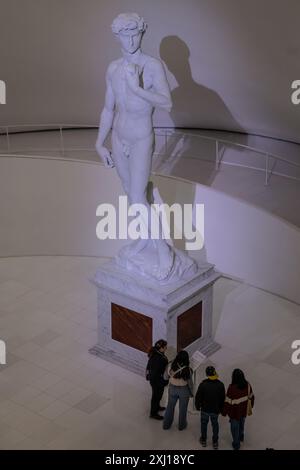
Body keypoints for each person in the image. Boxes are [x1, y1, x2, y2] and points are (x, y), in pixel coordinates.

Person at [95, 12, 196, 282]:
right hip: (118, 137)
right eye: (124, 34)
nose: (130, 40)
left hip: (140, 138)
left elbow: (167, 103)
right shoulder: (113, 68)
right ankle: (144, 239)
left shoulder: (152, 66)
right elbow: (108, 108)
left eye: (135, 33)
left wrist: (137, 88)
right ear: (116, 36)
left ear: (142, 33)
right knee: (132, 193)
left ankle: (163, 251)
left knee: (139, 196)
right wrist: (98, 143)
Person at [222, 368, 255, 450]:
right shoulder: (248, 385)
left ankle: (236, 444)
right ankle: (241, 437)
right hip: (243, 411)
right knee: (242, 424)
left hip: (234, 413)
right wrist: (251, 407)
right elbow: (251, 397)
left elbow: (227, 402)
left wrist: (224, 412)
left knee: (234, 428)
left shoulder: (231, 388)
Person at [195, 366, 225, 450]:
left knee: (204, 424)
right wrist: (221, 409)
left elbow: (198, 397)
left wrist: (197, 406)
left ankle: (203, 440)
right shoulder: (220, 384)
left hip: (204, 409)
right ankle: (215, 442)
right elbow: (223, 398)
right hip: (215, 410)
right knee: (215, 424)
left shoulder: (203, 384)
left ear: (207, 374)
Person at [163, 350, 193, 431]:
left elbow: (165, 377)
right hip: (184, 391)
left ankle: (166, 425)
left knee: (170, 407)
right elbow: (190, 384)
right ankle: (181, 426)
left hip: (172, 388)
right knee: (183, 409)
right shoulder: (188, 369)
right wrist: (191, 393)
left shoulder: (170, 365)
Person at [146, 339, 168, 420]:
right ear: (161, 348)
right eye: (165, 347)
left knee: (158, 395)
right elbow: (155, 373)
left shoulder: (156, 353)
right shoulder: (159, 359)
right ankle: (153, 413)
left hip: (157, 380)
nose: (166, 348)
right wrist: (162, 381)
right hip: (157, 381)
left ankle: (157, 407)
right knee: (156, 396)